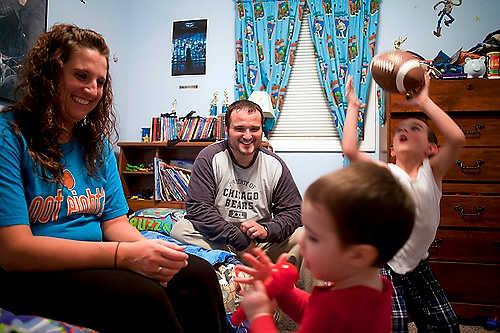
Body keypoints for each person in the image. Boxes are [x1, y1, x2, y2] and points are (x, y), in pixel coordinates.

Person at [0, 23, 226, 333]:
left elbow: (115, 224)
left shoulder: (97, 144)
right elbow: (14, 252)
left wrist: (157, 255)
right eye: (81, 76)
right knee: (145, 298)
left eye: (100, 81)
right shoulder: (9, 136)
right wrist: (122, 256)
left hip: (98, 260)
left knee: (196, 273)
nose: (92, 90)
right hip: (33, 273)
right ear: (50, 73)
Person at [342, 75, 465, 332]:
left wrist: (424, 101)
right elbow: (351, 150)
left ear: (430, 149)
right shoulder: (386, 172)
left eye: (415, 128)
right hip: (383, 265)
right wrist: (353, 106)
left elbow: (457, 138)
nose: (405, 130)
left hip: (418, 264)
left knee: (447, 324)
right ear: (394, 148)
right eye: (401, 130)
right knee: (391, 326)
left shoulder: (432, 173)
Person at [236, 162, 416, 332]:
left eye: (313, 238)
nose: (301, 242)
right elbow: (314, 311)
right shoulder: (368, 291)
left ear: (359, 255)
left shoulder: (342, 313)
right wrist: (284, 292)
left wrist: (260, 315)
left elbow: (324, 316)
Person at [171, 99, 314, 290]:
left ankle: (315, 308)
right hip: (220, 240)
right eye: (240, 129)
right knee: (180, 229)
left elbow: (294, 211)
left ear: (262, 130)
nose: (248, 136)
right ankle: (247, 267)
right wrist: (239, 240)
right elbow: (198, 208)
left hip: (260, 243)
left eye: (254, 129)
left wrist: (268, 230)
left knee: (307, 236)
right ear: (227, 130)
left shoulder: (274, 164)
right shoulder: (208, 158)